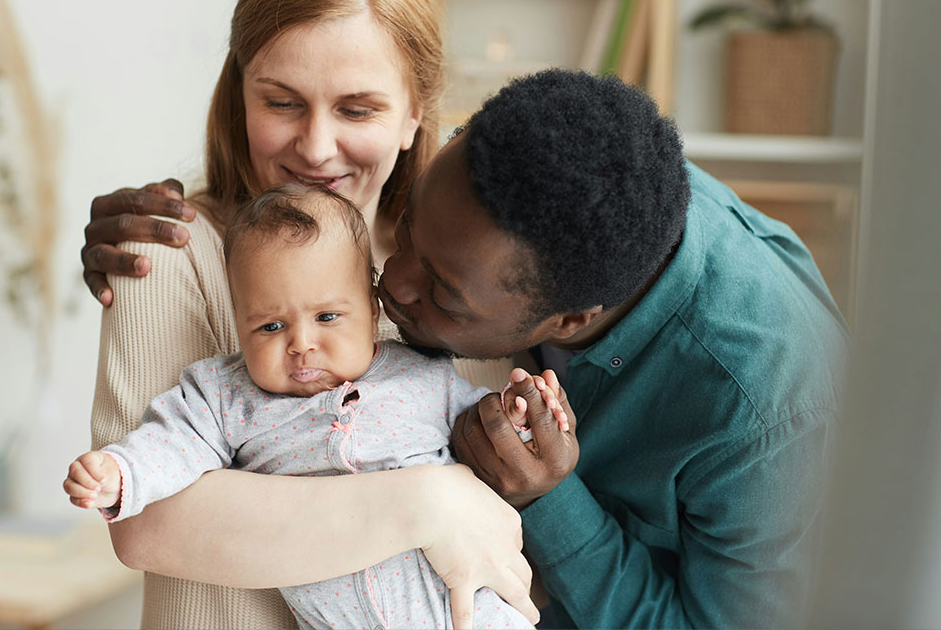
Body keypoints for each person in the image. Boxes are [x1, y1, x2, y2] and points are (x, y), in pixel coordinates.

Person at [87, 69, 849, 628]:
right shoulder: (567, 173)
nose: (393, 281)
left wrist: (552, 500)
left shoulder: (767, 409)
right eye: (408, 228)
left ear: (571, 319)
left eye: (441, 292)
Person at [80, 0, 538, 629]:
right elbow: (149, 523)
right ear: (241, 93)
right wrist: (430, 502)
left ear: (415, 111)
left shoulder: (473, 272)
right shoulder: (166, 252)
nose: (317, 146)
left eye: (357, 108)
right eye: (283, 102)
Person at [68, 185, 569, 630]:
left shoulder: (422, 374)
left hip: (464, 610)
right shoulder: (224, 394)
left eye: (327, 316)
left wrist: (520, 417)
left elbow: (483, 431)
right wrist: (122, 471)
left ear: (372, 310)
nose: (301, 343)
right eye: (269, 326)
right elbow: (171, 443)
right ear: (238, 321)